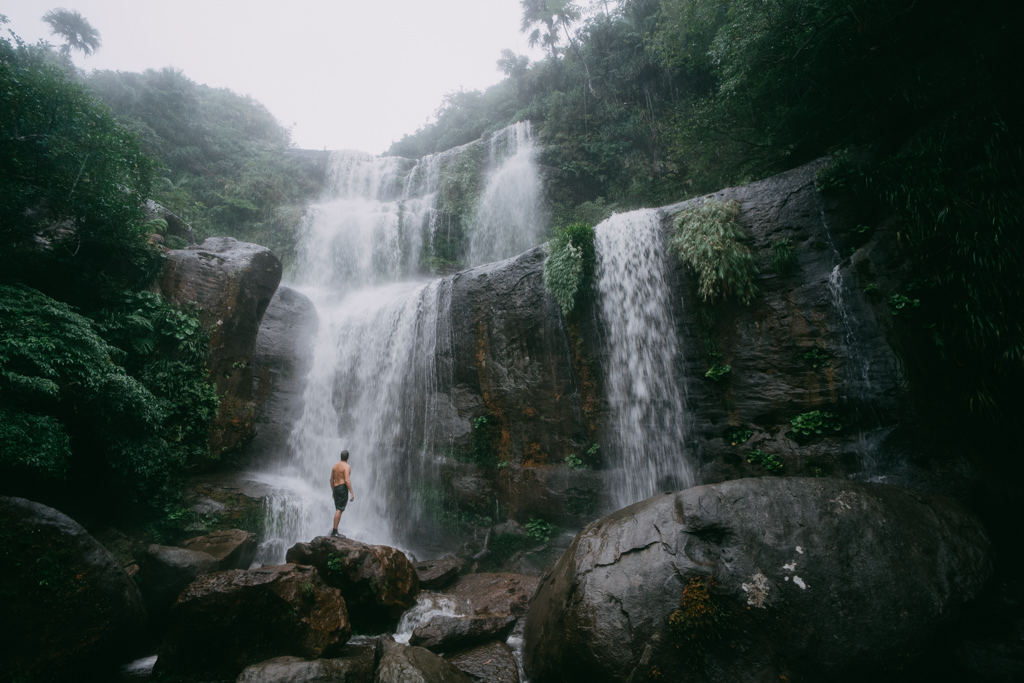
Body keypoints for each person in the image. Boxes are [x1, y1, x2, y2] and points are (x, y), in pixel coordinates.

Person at [329, 450, 355, 538]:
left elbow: (331, 480)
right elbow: (347, 480)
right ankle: (334, 531)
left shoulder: (335, 466)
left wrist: (333, 491)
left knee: (338, 509)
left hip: (336, 488)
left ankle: (335, 530)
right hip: (342, 488)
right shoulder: (347, 466)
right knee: (339, 509)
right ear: (348, 457)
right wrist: (351, 493)